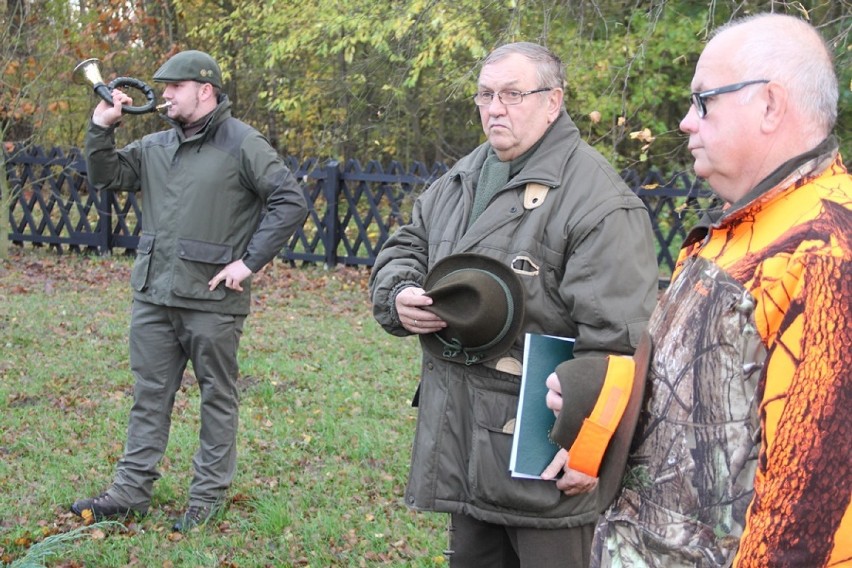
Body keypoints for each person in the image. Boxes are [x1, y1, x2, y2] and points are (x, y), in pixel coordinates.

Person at [546, 13, 851, 567]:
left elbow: (805, 524)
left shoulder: (825, 253)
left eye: (703, 100)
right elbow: (701, 401)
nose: (686, 121)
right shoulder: (744, 230)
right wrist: (596, 403)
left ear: (769, 105)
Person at [369, 42, 659, 567]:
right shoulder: (467, 175)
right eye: (484, 94)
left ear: (554, 102)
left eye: (511, 94)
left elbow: (619, 344)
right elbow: (408, 244)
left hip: (545, 464)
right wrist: (399, 294)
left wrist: (587, 448)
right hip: (465, 447)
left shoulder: (598, 201)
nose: (494, 108)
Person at [70, 50, 308, 532]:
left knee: (217, 396)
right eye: (162, 87)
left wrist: (249, 261)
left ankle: (207, 496)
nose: (164, 94)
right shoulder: (157, 144)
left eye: (174, 86)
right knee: (149, 394)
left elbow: (290, 201)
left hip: (213, 300)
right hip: (154, 296)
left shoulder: (243, 143)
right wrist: (102, 127)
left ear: (206, 90)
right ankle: (131, 491)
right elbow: (105, 175)